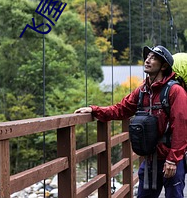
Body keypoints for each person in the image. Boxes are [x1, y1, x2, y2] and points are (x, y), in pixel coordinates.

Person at [74, 45, 187, 198]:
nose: (147, 60)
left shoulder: (175, 91)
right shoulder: (142, 91)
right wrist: (94, 110)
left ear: (164, 66)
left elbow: (181, 126)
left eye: (153, 58)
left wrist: (173, 160)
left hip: (170, 159)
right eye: (147, 57)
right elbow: (121, 109)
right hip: (150, 159)